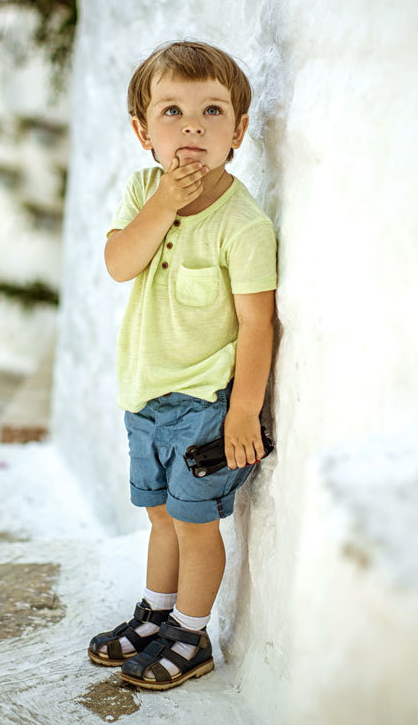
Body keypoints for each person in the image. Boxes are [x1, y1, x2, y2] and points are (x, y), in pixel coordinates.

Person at [87, 41, 278, 690]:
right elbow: (118, 265)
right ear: (142, 132)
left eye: (212, 111)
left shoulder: (243, 224)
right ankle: (158, 614)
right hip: (144, 395)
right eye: (171, 110)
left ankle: (191, 637)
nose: (192, 125)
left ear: (239, 131)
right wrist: (162, 203)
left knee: (196, 523)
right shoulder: (144, 191)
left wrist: (244, 410)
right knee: (161, 516)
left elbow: (258, 323)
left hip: (204, 404)